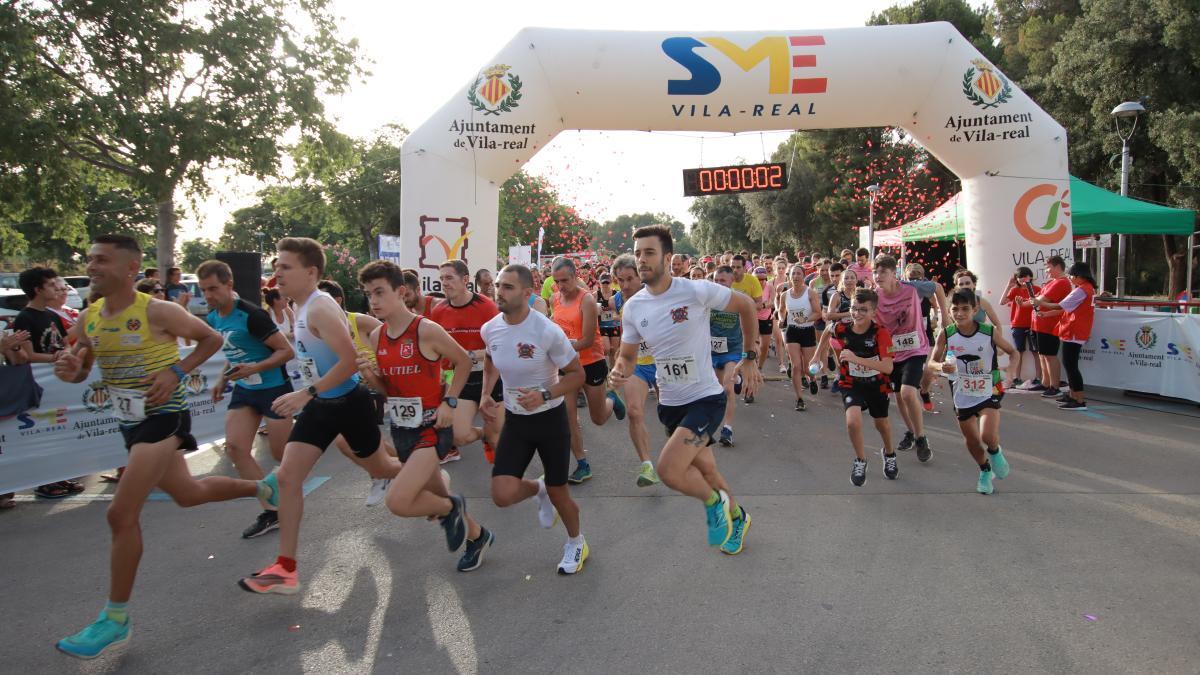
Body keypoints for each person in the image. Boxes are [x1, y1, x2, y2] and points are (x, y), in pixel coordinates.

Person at [52, 235, 278, 659]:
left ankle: (115, 619)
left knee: (120, 513)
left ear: (131, 268)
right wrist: (69, 370)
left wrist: (176, 370)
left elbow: (209, 339)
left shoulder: (158, 310)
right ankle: (264, 489)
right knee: (187, 494)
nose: (93, 267)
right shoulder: (89, 318)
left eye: (102, 260)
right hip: (129, 421)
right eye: (90, 260)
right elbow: (77, 372)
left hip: (164, 417)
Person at [240, 237, 401, 595]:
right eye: (276, 265)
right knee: (287, 478)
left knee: (386, 469)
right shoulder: (301, 307)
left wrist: (305, 393)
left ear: (311, 272)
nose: (276, 272)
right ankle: (286, 568)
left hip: (348, 404)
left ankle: (435, 482)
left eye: (285, 267)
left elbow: (349, 363)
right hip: (321, 406)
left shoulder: (320, 309)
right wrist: (311, 395)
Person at [610, 225, 761, 556]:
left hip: (706, 399)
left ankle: (713, 504)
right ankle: (738, 517)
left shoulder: (695, 290)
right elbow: (628, 356)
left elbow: (748, 306)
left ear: (667, 257)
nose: (642, 260)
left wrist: (750, 358)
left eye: (649, 253)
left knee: (668, 470)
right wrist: (620, 370)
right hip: (671, 404)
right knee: (706, 469)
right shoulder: (634, 307)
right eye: (638, 254)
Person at [356, 261, 493, 571]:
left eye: (379, 292)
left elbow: (461, 361)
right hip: (402, 429)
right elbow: (387, 390)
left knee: (399, 501)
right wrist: (367, 373)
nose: (373, 301)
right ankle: (478, 536)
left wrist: (450, 403)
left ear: (401, 292)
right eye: (368, 294)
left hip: (433, 427)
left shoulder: (426, 329)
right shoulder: (377, 337)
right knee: (436, 492)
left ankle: (451, 508)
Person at [479, 264, 591, 574]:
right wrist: (486, 393)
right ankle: (537, 490)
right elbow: (490, 361)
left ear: (528, 293)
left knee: (560, 492)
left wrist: (545, 394)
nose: (499, 291)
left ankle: (576, 541)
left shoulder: (547, 331)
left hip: (550, 421)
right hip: (516, 421)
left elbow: (576, 375)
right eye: (498, 285)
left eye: (507, 287)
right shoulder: (490, 329)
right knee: (501, 494)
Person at [198, 260, 296, 538]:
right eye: (204, 290)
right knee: (236, 448)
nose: (208, 296)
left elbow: (285, 352)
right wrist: (222, 377)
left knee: (282, 454)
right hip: (244, 389)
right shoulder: (215, 316)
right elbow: (234, 351)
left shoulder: (251, 315)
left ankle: (290, 491)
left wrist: (256, 368)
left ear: (230, 285)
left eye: (213, 288)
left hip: (274, 388)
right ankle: (272, 509)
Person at [928, 288, 1019, 494]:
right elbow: (932, 362)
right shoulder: (947, 333)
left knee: (987, 436)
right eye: (955, 309)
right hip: (962, 394)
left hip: (989, 389)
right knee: (972, 441)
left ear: (975, 309)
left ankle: (995, 452)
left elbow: (1014, 353)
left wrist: (1011, 371)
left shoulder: (988, 332)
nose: (959, 313)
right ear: (949, 311)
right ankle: (985, 470)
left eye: (965, 309)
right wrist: (941, 367)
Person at [549, 256, 625, 483]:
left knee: (599, 418)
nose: (561, 285)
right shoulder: (556, 299)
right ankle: (582, 464)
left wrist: (561, 344)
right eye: (557, 281)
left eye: (565, 280)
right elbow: (555, 326)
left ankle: (611, 400)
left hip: (591, 362)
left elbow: (586, 340)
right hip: (566, 367)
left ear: (575, 277)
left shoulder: (587, 301)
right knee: (568, 418)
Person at [810, 288, 897, 485]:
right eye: (854, 309)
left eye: (863, 310)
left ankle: (889, 453)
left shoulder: (881, 333)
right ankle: (860, 459)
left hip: (877, 383)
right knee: (852, 422)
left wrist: (857, 358)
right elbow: (826, 331)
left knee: (881, 423)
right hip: (851, 381)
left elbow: (888, 367)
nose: (857, 314)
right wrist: (817, 355)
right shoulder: (842, 327)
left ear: (874, 312)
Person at [429, 260, 503, 464]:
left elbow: (499, 346)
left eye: (449, 278)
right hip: (462, 378)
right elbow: (436, 347)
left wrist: (469, 356)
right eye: (442, 278)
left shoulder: (486, 306)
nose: (444, 283)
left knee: (499, 439)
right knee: (458, 436)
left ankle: (507, 481)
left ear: (465, 280)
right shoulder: (439, 311)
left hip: (490, 375)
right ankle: (484, 435)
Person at [872, 254, 932, 461]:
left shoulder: (911, 289)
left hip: (915, 348)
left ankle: (922, 437)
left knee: (907, 393)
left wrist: (945, 313)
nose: (878, 276)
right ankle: (912, 432)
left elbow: (939, 289)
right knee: (898, 397)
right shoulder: (875, 296)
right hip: (892, 352)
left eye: (883, 272)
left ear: (893, 274)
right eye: (876, 272)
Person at [610, 254, 661, 487]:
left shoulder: (657, 296)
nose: (625, 285)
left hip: (662, 362)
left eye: (630, 279)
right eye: (620, 280)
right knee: (634, 411)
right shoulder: (618, 300)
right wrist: (619, 363)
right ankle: (647, 465)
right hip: (636, 364)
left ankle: (684, 454)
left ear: (640, 275)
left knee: (673, 414)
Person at [1032, 262, 1096, 411]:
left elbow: (1060, 306)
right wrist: (1046, 312)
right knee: (1070, 365)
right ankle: (1073, 395)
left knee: (1071, 366)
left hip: (1074, 331)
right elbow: (1066, 309)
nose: (1071, 278)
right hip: (1075, 330)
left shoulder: (1082, 290)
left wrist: (1039, 302)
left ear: (1080, 276)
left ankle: (1079, 400)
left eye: (1072, 276)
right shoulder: (1087, 289)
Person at [904, 263, 950, 411]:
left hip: (925, 333)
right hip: (907, 335)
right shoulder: (902, 288)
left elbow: (938, 289)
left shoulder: (926, 290)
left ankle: (924, 392)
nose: (915, 282)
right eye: (911, 278)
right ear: (906, 276)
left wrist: (941, 316)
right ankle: (908, 394)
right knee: (908, 368)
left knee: (929, 368)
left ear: (923, 277)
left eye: (918, 278)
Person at [780, 263, 823, 410]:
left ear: (804, 276)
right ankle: (799, 399)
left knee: (807, 367)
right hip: (792, 331)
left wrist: (805, 319)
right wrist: (781, 319)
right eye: (793, 274)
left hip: (807, 330)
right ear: (790, 277)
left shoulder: (810, 293)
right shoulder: (785, 294)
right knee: (796, 366)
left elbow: (818, 313)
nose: (796, 276)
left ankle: (812, 379)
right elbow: (781, 310)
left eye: (799, 274)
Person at [1028, 255, 1071, 400]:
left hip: (1050, 324)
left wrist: (1034, 301)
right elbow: (1036, 299)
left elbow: (1041, 300)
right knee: (1042, 354)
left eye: (1049, 268)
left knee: (1050, 355)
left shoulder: (1062, 283)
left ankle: (1055, 386)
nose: (1047, 271)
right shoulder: (1051, 282)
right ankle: (1045, 383)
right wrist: (1027, 302)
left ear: (1058, 267)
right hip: (1039, 323)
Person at [1001, 266, 1042, 388]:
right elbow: (1002, 302)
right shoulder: (1014, 290)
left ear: (1031, 277)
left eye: (1026, 276)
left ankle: (1038, 378)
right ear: (1017, 279)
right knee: (1018, 352)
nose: (1024, 279)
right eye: (1021, 277)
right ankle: (1017, 378)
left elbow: (1042, 304)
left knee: (1036, 352)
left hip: (1034, 325)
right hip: (1017, 325)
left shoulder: (1037, 289)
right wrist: (1009, 286)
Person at [596, 272, 621, 366]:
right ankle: (603, 366)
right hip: (602, 326)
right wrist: (597, 311)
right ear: (599, 283)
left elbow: (622, 311)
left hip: (615, 325)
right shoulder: (596, 295)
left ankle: (611, 372)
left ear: (611, 282)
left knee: (614, 351)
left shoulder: (617, 294)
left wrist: (616, 315)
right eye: (603, 283)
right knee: (606, 349)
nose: (605, 285)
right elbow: (592, 312)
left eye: (607, 282)